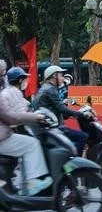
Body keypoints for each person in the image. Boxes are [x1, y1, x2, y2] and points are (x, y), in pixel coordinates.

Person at [0, 67, 52, 195]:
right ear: (19, 80)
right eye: (24, 78)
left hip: (6, 133)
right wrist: (35, 117)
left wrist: (34, 114)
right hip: (3, 136)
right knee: (32, 144)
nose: (26, 81)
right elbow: (13, 116)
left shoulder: (10, 92)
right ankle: (32, 182)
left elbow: (22, 110)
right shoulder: (10, 93)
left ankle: (23, 183)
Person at [33, 65, 91, 154]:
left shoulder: (46, 88)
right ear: (54, 76)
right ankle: (74, 162)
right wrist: (82, 114)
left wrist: (74, 113)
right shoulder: (50, 90)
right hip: (54, 129)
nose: (63, 78)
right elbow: (62, 109)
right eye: (61, 75)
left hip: (50, 127)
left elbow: (58, 110)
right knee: (83, 137)